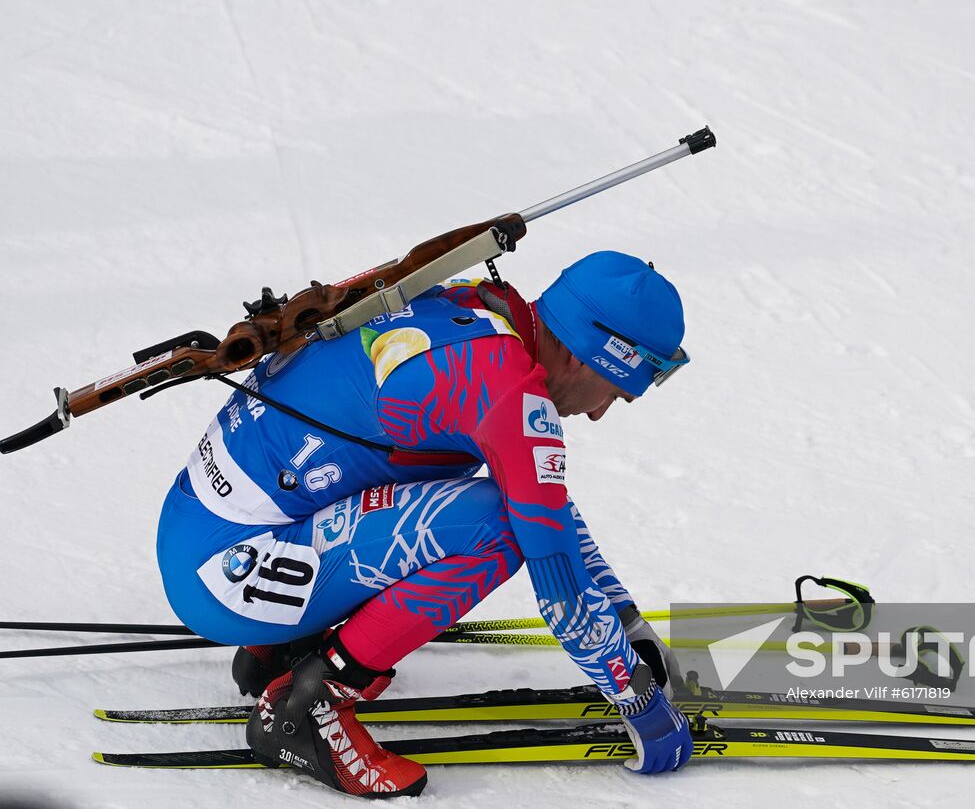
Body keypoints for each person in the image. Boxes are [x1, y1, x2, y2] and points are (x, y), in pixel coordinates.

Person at [155, 250, 694, 798]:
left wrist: (624, 619)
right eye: (615, 390)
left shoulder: (471, 308)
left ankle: (282, 647)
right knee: (501, 529)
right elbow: (558, 584)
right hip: (227, 580)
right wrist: (640, 702)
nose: (600, 412)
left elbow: (544, 502)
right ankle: (309, 704)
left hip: (202, 538)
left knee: (503, 505)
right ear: (585, 355)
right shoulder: (513, 395)